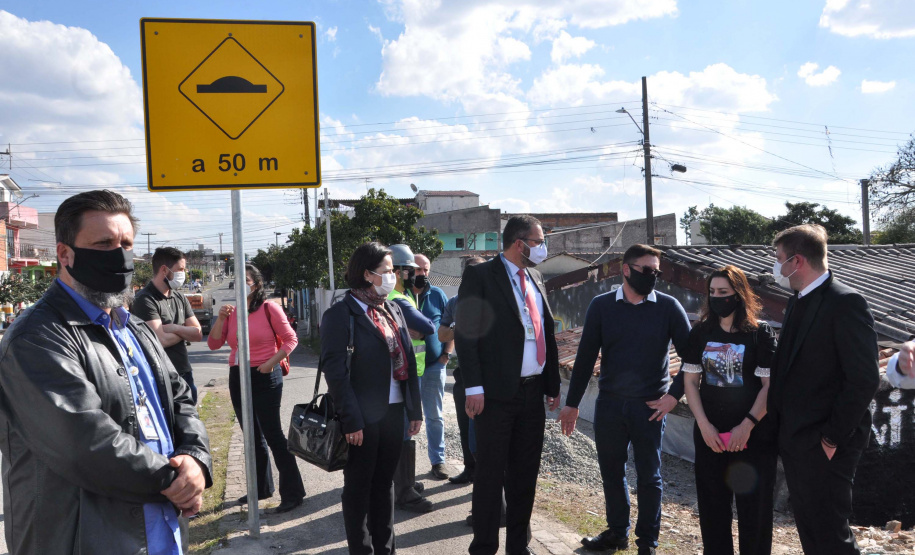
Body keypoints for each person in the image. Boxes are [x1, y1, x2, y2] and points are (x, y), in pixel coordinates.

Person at [0, 190, 212, 554]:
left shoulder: (133, 328)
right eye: (104, 244)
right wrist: (177, 480)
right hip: (85, 538)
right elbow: (83, 442)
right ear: (65, 254)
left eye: (126, 243)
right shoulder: (37, 336)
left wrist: (196, 459)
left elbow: (180, 400)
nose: (120, 255)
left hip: (159, 529)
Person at [558, 244, 690, 555]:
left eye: (657, 272)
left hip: (651, 407)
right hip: (611, 404)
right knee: (611, 472)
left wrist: (674, 396)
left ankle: (648, 544)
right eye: (647, 271)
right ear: (626, 270)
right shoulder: (602, 306)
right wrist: (572, 403)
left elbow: (693, 358)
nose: (653, 277)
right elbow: (586, 356)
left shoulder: (669, 308)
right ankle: (617, 533)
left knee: (649, 476)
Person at [768, 224, 879, 555]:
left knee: (831, 533)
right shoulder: (797, 300)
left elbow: (863, 378)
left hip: (827, 442)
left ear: (797, 261)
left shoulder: (845, 302)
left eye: (779, 259)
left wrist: (831, 437)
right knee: (810, 528)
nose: (776, 267)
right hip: (797, 439)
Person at [455, 215, 561, 555]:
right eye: (539, 240)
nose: (543, 247)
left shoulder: (536, 276)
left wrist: (552, 383)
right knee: (489, 474)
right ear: (520, 243)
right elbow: (467, 332)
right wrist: (474, 387)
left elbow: (545, 329)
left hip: (532, 392)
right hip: (495, 394)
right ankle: (484, 546)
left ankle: (519, 546)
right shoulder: (481, 275)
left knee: (525, 473)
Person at [321, 242, 423, 555]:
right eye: (387, 272)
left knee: (385, 485)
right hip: (361, 418)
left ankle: (386, 549)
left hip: (393, 413)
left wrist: (414, 409)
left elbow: (408, 357)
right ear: (367, 274)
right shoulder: (340, 314)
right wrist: (351, 420)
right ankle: (361, 550)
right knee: (358, 489)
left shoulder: (391, 308)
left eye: (394, 271)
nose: (395, 277)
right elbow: (336, 374)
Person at [681, 265, 778, 555]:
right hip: (711, 436)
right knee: (712, 512)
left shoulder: (760, 334)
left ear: (739, 294)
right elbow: (690, 382)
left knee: (755, 514)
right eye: (712, 292)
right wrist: (704, 425)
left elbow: (769, 387)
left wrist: (747, 425)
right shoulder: (700, 333)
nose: (716, 297)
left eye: (723, 292)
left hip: (754, 438)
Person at [208, 264, 305, 514]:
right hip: (237, 374)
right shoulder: (231, 312)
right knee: (250, 435)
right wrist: (220, 318)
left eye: (246, 280)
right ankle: (261, 488)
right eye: (237, 281)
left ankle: (293, 493)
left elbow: (291, 339)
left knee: (273, 435)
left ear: (257, 284)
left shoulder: (268, 308)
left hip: (266, 374)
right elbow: (213, 343)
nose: (241, 285)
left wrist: (269, 364)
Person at [386, 244, 436, 513]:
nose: (417, 275)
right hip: (405, 375)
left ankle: (404, 482)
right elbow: (428, 327)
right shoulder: (399, 298)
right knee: (405, 431)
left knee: (405, 430)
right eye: (412, 270)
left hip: (408, 371)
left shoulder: (406, 296)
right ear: (401, 272)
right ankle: (403, 491)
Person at [439, 256, 487, 486]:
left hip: (490, 373)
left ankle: (487, 479)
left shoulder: (495, 299)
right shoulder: (455, 302)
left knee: (486, 431)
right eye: (469, 272)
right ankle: (470, 469)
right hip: (463, 371)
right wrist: (459, 326)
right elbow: (442, 334)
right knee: (464, 424)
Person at [133, 247, 203, 405]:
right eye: (180, 269)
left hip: (184, 372)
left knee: (190, 423)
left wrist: (173, 328)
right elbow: (160, 340)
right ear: (164, 270)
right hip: (161, 376)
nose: (183, 274)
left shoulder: (179, 297)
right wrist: (185, 332)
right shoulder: (145, 299)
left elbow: (198, 334)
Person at [412, 253, 452, 479]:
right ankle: (402, 468)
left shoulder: (438, 295)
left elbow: (450, 325)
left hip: (434, 367)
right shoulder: (402, 295)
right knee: (407, 417)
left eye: (426, 270)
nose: (422, 274)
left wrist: (446, 354)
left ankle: (438, 462)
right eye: (418, 270)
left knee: (435, 416)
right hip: (408, 369)